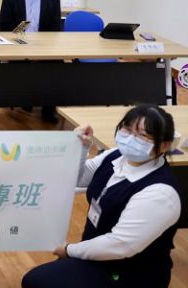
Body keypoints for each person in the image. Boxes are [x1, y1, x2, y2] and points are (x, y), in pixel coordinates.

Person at [22, 105, 181, 288]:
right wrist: (81, 147)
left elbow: (119, 245)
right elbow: (78, 178)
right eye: (127, 130)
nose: (130, 139)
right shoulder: (116, 156)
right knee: (41, 279)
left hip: (128, 273)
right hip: (97, 255)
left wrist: (69, 250)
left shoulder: (160, 194)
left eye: (142, 135)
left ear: (164, 145)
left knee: (36, 281)